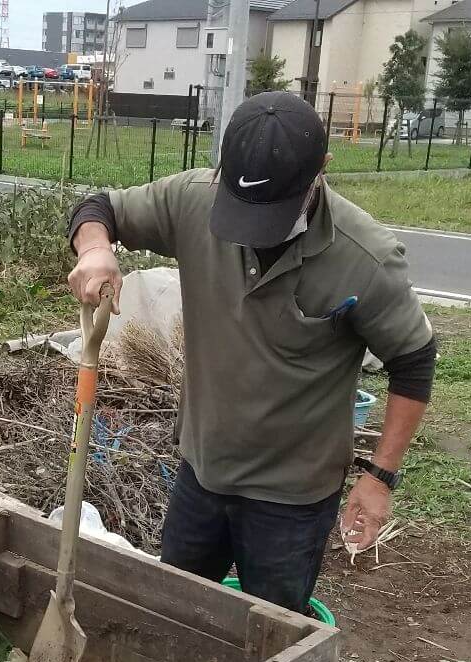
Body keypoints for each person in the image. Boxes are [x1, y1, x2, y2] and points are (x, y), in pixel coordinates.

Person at [64, 91, 437, 614]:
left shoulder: (366, 260)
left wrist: (380, 478)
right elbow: (97, 208)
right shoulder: (194, 200)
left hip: (294, 495)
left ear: (320, 172)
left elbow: (414, 363)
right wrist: (96, 248)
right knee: (174, 612)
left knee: (273, 632)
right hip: (203, 468)